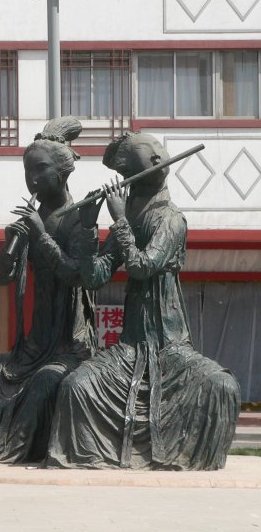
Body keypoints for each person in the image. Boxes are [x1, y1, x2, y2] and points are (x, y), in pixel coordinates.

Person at [45, 132, 241, 470]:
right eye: (148, 157)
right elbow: (94, 276)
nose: (157, 159)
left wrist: (120, 220)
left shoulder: (170, 219)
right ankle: (91, 456)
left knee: (221, 385)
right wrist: (89, 228)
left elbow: (142, 266)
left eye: (157, 153)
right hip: (131, 347)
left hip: (170, 345)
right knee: (76, 385)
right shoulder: (132, 216)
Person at [0, 118, 98, 463]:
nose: (32, 179)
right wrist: (12, 246)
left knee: (46, 383)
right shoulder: (31, 221)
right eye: (27, 171)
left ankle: (17, 452)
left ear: (63, 174)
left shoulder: (80, 219)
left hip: (69, 341)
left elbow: (76, 275)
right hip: (34, 343)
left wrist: (39, 235)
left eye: (40, 170)